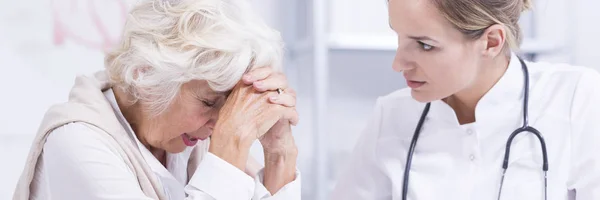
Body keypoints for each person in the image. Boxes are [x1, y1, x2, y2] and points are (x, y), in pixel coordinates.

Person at [13, 0, 301, 199]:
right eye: (209, 102)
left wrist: (279, 154)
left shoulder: (191, 144)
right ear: (146, 75)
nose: (220, 124)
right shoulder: (75, 142)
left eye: (230, 105)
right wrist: (231, 147)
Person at [331, 0, 600, 199]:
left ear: (491, 42)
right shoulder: (391, 115)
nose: (398, 63)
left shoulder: (576, 97)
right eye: (398, 37)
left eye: (425, 45)